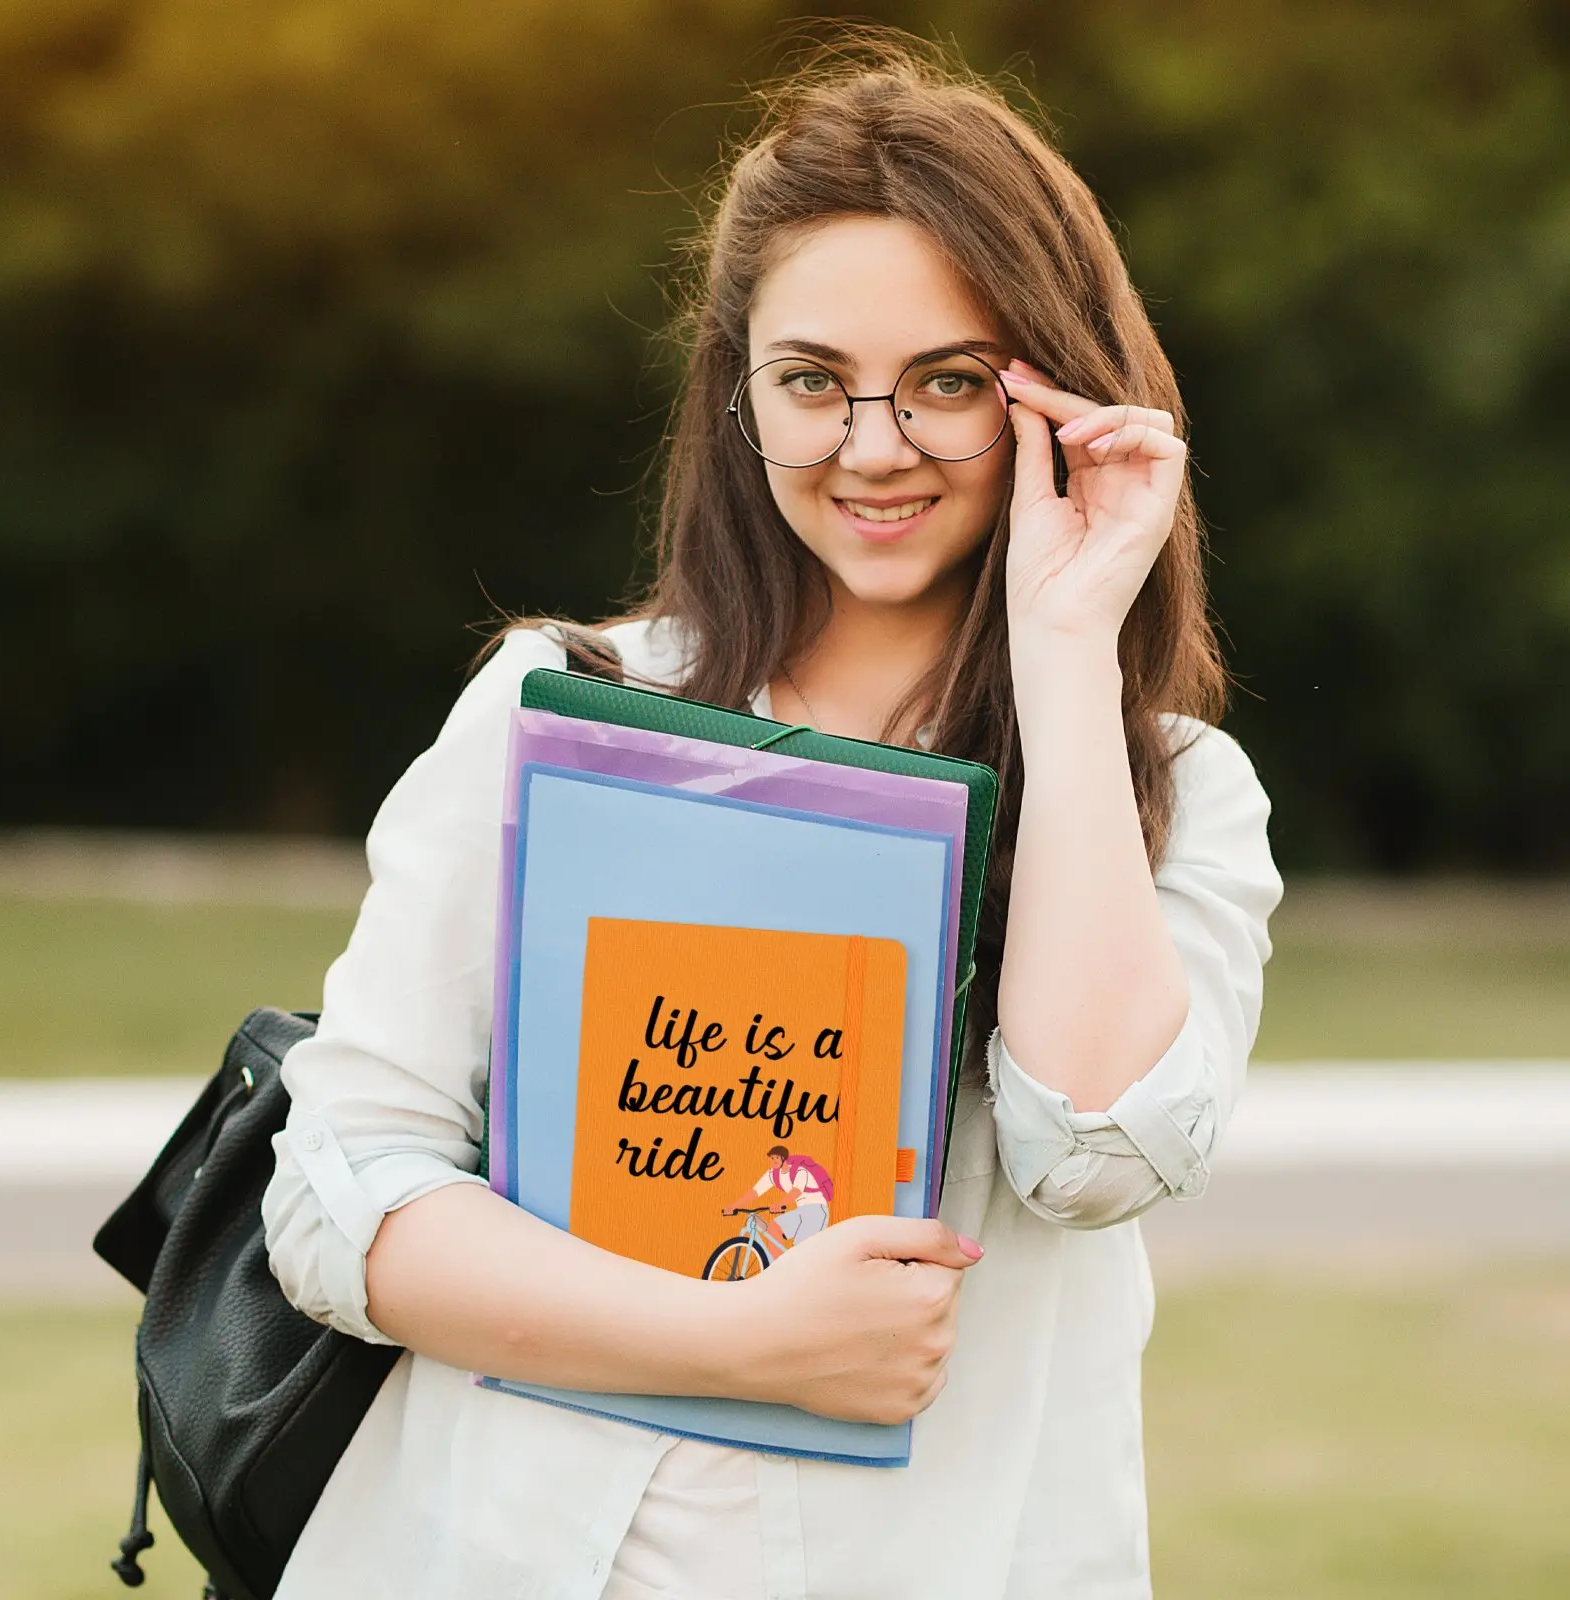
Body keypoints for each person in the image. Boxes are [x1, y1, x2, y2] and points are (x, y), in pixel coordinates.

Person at [261, 32, 1282, 1599]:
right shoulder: (560, 706)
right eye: (812, 382)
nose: (874, 449)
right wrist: (735, 1338)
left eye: (949, 384)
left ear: (1060, 396)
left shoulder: (1167, 793)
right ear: (738, 394)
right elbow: (340, 1201)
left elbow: (1101, 1152)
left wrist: (1065, 651)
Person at [726, 1146, 833, 1248]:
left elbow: (796, 1191)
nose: (773, 1160)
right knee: (774, 1229)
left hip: (816, 1210)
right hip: (800, 1211)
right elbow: (754, 1192)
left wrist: (780, 1204)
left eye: (776, 1157)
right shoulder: (773, 1174)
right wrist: (734, 1206)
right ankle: (777, 1265)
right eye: (772, 1158)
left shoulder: (799, 1171)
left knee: (799, 1250)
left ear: (784, 1158)